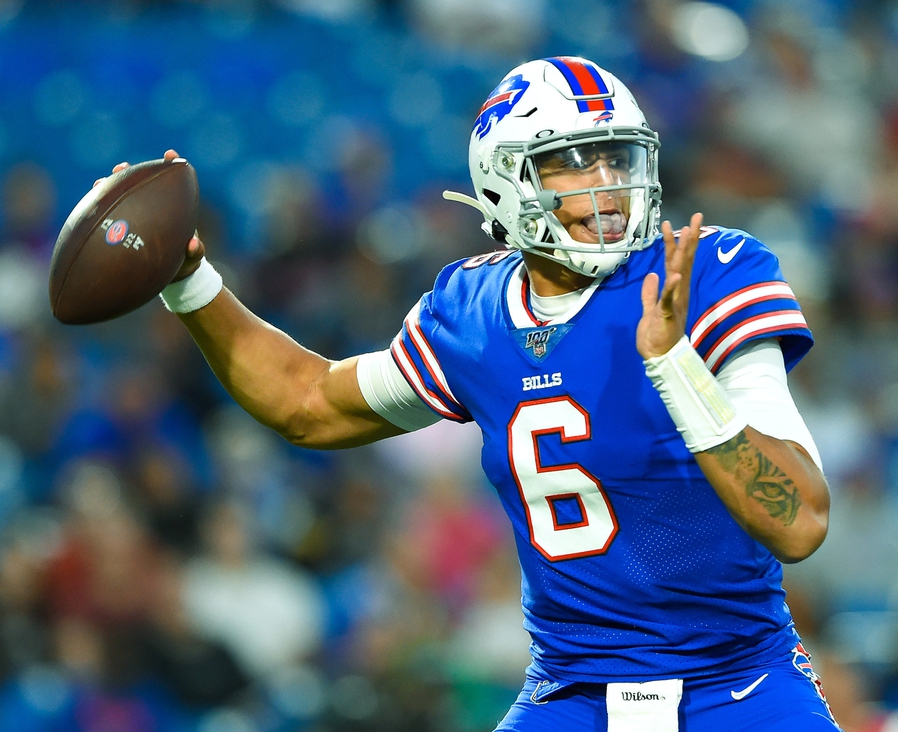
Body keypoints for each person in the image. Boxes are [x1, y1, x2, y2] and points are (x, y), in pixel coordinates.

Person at [116, 56, 835, 730]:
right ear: (505, 182)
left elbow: (799, 520)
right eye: (571, 166)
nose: (607, 188)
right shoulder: (471, 312)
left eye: (617, 159)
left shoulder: (707, 271)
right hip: (572, 693)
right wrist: (190, 282)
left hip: (737, 685)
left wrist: (674, 362)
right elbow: (307, 404)